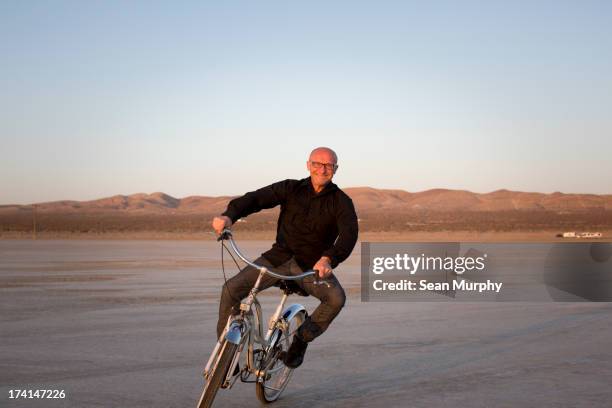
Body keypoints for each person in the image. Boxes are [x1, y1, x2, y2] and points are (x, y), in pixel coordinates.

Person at [211, 147, 358, 368]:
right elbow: (256, 199)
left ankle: (301, 339)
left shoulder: (341, 201)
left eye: (329, 165)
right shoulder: (290, 188)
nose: (323, 169)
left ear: (335, 169)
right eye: (318, 164)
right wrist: (229, 216)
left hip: (310, 268)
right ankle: (225, 351)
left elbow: (349, 235)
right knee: (231, 290)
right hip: (277, 259)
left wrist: (329, 258)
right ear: (308, 165)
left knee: (336, 299)